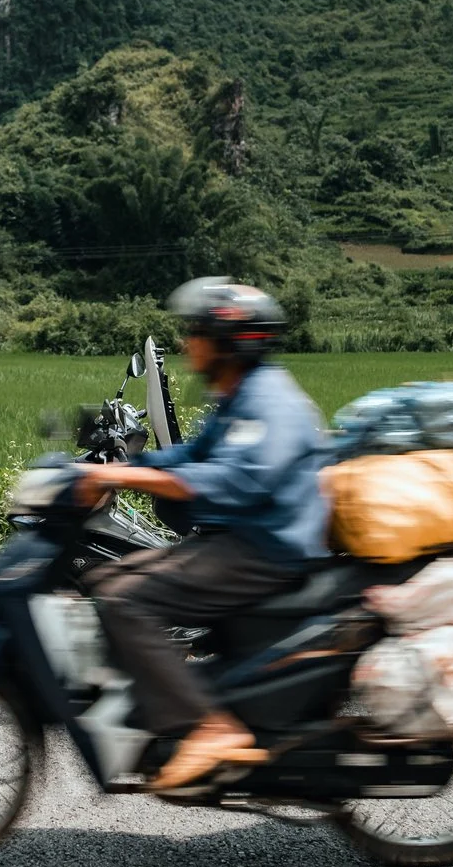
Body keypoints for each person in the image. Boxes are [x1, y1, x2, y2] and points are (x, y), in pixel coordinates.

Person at [80, 277, 332, 791]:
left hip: (264, 549)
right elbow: (194, 456)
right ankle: (160, 710)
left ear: (230, 342)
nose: (186, 342)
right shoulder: (238, 396)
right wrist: (133, 461)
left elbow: (238, 479)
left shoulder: (270, 400)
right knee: (107, 582)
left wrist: (130, 476)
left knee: (129, 602)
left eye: (197, 331)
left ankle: (211, 728)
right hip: (240, 542)